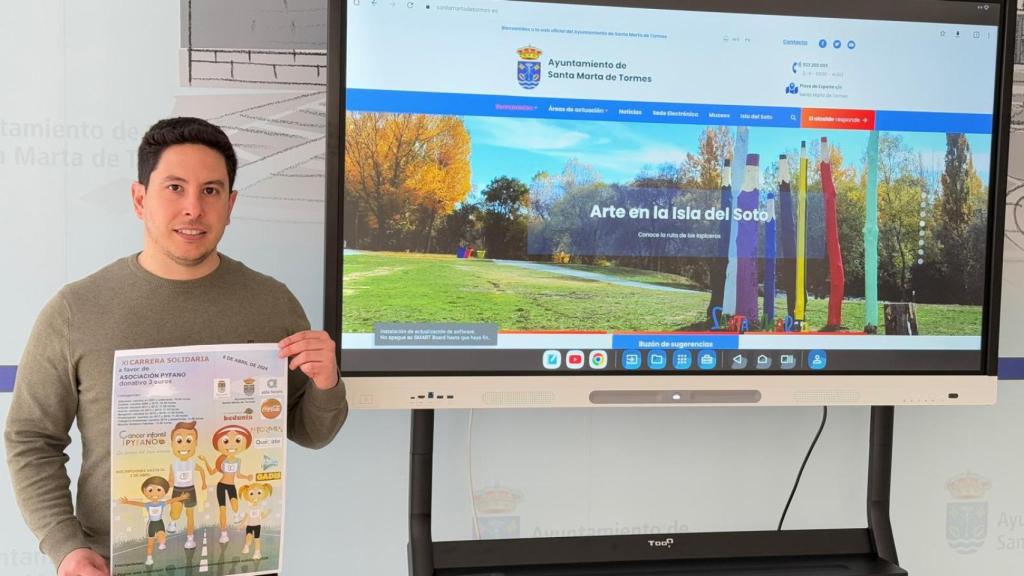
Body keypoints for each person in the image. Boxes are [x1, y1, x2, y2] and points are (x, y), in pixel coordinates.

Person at [4, 117, 348, 576]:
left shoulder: (273, 303)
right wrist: (65, 546)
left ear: (230, 204)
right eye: (174, 188)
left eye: (211, 191)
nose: (193, 208)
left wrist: (327, 383)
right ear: (139, 198)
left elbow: (311, 431)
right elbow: (31, 438)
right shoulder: (75, 310)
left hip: (237, 559)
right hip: (113, 564)